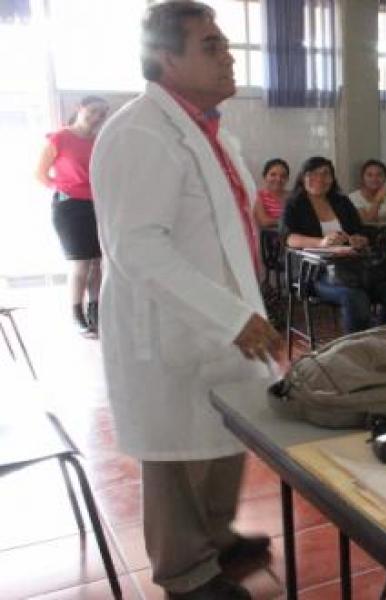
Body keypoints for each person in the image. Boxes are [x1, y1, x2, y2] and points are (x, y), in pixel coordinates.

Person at [90, 3, 278, 599]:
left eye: (225, 44)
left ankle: (215, 538)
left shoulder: (209, 130)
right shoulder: (140, 131)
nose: (228, 56)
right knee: (176, 453)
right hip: (172, 325)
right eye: (211, 46)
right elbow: (137, 246)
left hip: (223, 318)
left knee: (223, 437)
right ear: (166, 57)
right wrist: (229, 315)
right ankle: (184, 572)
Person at [281, 156, 386, 333]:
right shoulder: (294, 204)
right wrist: (321, 242)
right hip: (315, 273)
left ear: (332, 179)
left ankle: (383, 339)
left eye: (325, 174)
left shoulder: (341, 201)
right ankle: (357, 346)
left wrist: (359, 239)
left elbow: (361, 231)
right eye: (312, 174)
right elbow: (289, 238)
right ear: (303, 177)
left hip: (353, 268)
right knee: (355, 297)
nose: (320, 179)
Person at [35, 95, 109, 336]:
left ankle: (95, 311)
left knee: (98, 262)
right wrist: (63, 189)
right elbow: (40, 174)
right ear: (80, 108)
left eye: (102, 113)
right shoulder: (60, 137)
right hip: (69, 208)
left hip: (96, 206)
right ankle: (77, 315)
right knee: (80, 263)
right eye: (93, 110)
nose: (97, 117)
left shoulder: (99, 141)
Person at [348, 158, 386, 222]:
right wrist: (378, 199)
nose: (374, 179)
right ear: (362, 178)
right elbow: (366, 222)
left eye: (379, 175)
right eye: (369, 175)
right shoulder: (353, 198)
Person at [252, 157, 289, 228]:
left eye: (283, 176)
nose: (278, 179)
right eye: (273, 175)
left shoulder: (293, 196)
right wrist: (289, 221)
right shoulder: (258, 196)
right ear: (265, 177)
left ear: (287, 179)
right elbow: (264, 221)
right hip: (269, 234)